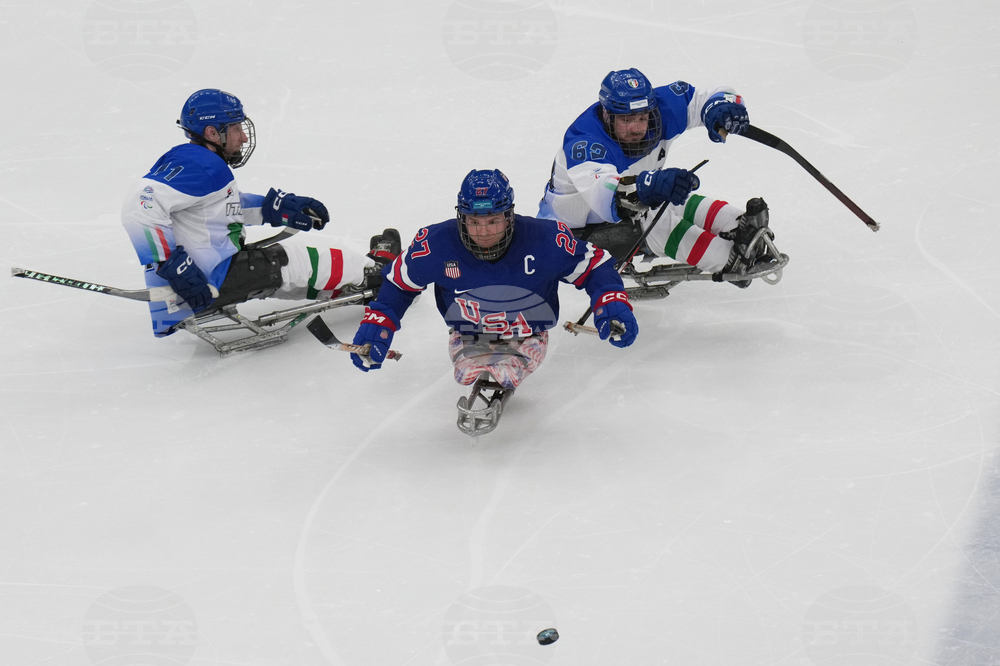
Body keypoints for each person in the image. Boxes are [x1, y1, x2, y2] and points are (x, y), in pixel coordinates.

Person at [121, 88, 399, 337]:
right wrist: (175, 268)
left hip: (196, 283)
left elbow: (216, 208)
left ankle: (357, 284)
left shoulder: (192, 159)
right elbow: (139, 207)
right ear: (212, 133)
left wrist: (274, 208)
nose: (242, 137)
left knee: (288, 275)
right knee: (297, 261)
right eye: (235, 128)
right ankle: (379, 275)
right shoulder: (202, 164)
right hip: (205, 281)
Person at [349, 169, 637, 396]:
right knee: (467, 374)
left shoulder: (545, 238)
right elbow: (400, 283)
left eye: (493, 221)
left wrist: (609, 299)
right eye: (474, 221)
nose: (483, 232)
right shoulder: (435, 244)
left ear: (509, 216)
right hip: (468, 334)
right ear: (461, 218)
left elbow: (595, 264)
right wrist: (379, 323)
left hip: (528, 334)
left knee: (507, 372)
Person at [537, 67, 773, 287]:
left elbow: (711, 96)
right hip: (575, 238)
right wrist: (652, 186)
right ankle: (726, 259)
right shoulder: (585, 144)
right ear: (607, 115)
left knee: (671, 199)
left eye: (642, 117)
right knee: (653, 219)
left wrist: (720, 106)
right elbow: (607, 198)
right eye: (626, 120)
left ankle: (740, 227)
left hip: (631, 212)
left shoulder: (661, 109)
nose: (637, 128)